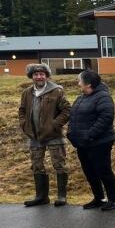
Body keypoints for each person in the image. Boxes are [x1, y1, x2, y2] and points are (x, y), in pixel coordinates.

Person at [18, 63, 71, 207]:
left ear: (47, 76)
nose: (39, 77)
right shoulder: (26, 92)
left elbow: (66, 110)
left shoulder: (57, 91)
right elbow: (22, 111)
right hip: (34, 135)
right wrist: (24, 125)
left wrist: (55, 124)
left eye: (42, 74)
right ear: (32, 77)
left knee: (59, 164)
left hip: (54, 135)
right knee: (36, 165)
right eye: (36, 74)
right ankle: (41, 197)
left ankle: (61, 196)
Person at [67, 69, 115, 211]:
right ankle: (99, 198)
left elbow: (106, 118)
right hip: (82, 144)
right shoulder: (81, 97)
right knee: (89, 171)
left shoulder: (103, 97)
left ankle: (114, 200)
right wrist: (71, 133)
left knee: (103, 170)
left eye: (80, 81)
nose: (78, 83)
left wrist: (89, 134)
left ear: (88, 84)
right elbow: (74, 117)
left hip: (99, 142)